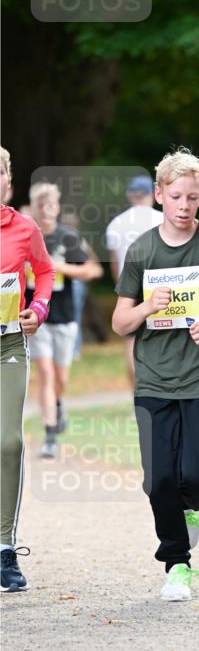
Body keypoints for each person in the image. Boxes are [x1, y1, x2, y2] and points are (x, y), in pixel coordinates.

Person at [112, 148, 199, 601]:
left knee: (195, 475)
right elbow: (119, 323)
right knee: (158, 481)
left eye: (193, 197)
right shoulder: (142, 250)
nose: (185, 205)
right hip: (154, 379)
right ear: (158, 195)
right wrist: (145, 307)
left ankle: (191, 506)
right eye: (176, 196)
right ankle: (177, 563)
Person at [0, 146, 55, 592]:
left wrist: (38, 306)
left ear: (8, 182)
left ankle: (4, 548)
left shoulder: (24, 228)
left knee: (9, 441)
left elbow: (46, 271)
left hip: (8, 345)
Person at [27, 182, 102, 458]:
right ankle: (49, 436)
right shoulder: (26, 236)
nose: (46, 210)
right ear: (33, 207)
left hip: (65, 315)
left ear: (57, 208)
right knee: (45, 373)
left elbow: (94, 271)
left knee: (60, 376)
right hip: (36, 315)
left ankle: (58, 405)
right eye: (41, 205)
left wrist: (61, 268)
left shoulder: (68, 238)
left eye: (51, 205)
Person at [106, 174, 162, 388]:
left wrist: (122, 289)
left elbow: (114, 264)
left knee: (131, 340)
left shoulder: (116, 224)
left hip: (129, 287)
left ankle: (137, 392)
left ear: (130, 196)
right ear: (153, 194)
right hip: (159, 285)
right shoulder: (161, 219)